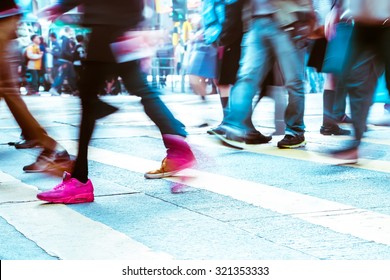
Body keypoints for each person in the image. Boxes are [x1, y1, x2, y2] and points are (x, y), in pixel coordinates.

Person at [36, 0, 196, 204]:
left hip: (108, 25)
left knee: (90, 98)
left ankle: (80, 180)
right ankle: (178, 146)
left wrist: (61, 6)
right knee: (136, 89)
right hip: (117, 24)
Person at [212, 0, 316, 149]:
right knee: (247, 77)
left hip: (288, 20)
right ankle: (234, 125)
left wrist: (305, 15)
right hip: (256, 22)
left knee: (293, 81)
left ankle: (295, 131)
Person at [0, 0, 73, 173]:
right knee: (7, 89)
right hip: (6, 17)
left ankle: (51, 148)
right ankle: (49, 147)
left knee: (6, 89)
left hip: (3, 18)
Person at [329, 0, 390, 162]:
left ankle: (355, 142)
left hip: (386, 24)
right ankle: (355, 143)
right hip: (363, 26)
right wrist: (337, 8)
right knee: (354, 77)